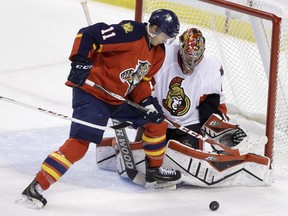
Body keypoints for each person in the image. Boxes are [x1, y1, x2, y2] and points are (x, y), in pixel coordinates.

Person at [19, 9, 181, 209]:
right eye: (165, 35)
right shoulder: (129, 33)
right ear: (154, 28)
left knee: (157, 123)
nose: (165, 41)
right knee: (80, 144)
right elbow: (88, 34)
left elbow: (140, 82)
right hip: (92, 95)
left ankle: (154, 172)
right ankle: (36, 187)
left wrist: (147, 102)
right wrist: (80, 62)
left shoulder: (158, 52)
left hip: (118, 98)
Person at [95, 28, 270, 187]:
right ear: (180, 47)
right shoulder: (162, 55)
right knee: (146, 150)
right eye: (188, 55)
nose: (192, 61)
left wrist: (221, 127)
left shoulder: (211, 67)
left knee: (178, 156)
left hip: (189, 126)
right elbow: (140, 84)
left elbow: (213, 103)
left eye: (196, 56)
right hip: (156, 120)